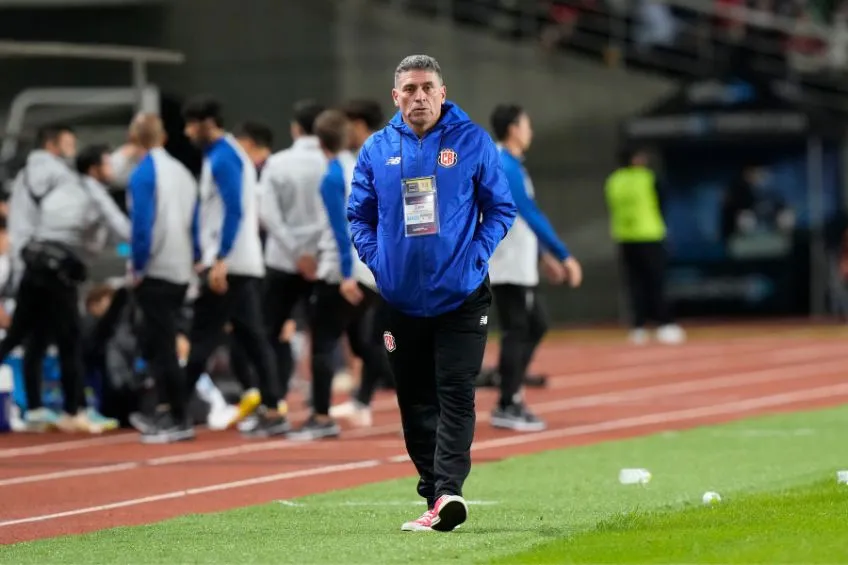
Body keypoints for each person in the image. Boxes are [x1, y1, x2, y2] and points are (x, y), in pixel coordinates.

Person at [347, 54, 517, 532]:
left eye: (427, 88)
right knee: (415, 401)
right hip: (400, 300)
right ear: (395, 96)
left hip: (461, 296)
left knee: (456, 392)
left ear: (442, 93)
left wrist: (476, 255)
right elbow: (358, 215)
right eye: (409, 89)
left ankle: (448, 492)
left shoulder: (472, 142)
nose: (418, 96)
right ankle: (434, 493)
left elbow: (500, 209)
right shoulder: (377, 149)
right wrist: (378, 261)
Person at [0, 133, 130, 433]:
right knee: (70, 340)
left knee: (25, 337)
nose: (112, 169)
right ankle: (75, 410)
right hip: (58, 270)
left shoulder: (61, 184)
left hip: (37, 264)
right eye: (107, 163)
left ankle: (35, 410)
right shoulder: (89, 188)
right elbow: (121, 229)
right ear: (95, 168)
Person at [179, 95, 287, 438]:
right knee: (253, 339)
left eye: (191, 124)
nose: (187, 131)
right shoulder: (223, 155)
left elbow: (234, 210)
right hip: (240, 263)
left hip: (229, 265)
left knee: (202, 337)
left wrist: (220, 257)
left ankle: (176, 413)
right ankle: (273, 409)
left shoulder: (224, 157)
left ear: (207, 123)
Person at [486, 104, 583, 432]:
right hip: (507, 264)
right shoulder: (503, 163)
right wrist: (563, 254)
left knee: (536, 323)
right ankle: (508, 401)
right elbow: (527, 212)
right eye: (527, 125)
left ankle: (510, 387)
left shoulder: (513, 165)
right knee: (517, 329)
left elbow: (522, 218)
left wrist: (544, 257)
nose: (531, 131)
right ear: (513, 128)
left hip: (520, 262)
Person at [125, 113, 203, 443]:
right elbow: (195, 221)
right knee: (161, 341)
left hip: (156, 267)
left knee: (163, 345)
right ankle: (164, 409)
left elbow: (141, 227)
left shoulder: (143, 174)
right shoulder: (182, 172)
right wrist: (196, 257)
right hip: (181, 266)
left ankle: (177, 415)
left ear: (134, 139)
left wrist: (138, 267)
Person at [257, 99, 327, 425]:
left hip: (283, 262)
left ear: (295, 128)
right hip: (322, 263)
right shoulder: (333, 163)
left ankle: (273, 408)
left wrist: (296, 251)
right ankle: (321, 411)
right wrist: (313, 254)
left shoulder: (278, 163)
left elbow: (269, 214)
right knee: (323, 338)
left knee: (269, 334)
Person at [328, 99, 395, 427]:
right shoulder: (353, 159)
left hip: (388, 263)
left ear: (359, 125)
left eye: (347, 125)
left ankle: (431, 395)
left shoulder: (384, 155)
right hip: (368, 263)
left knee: (379, 339)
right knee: (367, 340)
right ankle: (363, 402)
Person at [605, 149, 684, 345]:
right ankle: (665, 324)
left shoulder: (614, 181)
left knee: (634, 285)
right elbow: (662, 203)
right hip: (650, 235)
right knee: (656, 282)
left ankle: (637, 327)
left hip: (625, 237)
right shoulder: (648, 178)